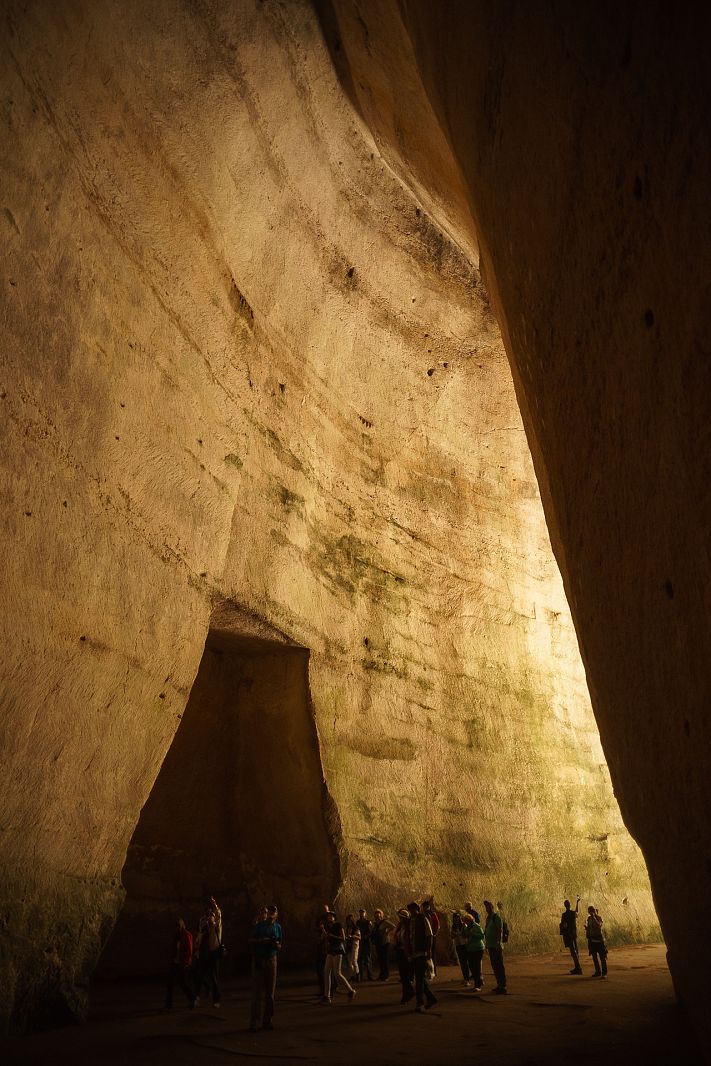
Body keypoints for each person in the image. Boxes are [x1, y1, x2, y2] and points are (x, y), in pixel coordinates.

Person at [248, 904, 282, 1031]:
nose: (272, 913)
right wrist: (262, 941)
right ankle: (254, 1022)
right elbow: (250, 940)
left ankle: (267, 1020)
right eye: (270, 911)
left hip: (272, 960)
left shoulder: (278, 927)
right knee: (257, 993)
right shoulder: (259, 926)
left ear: (276, 914)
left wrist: (276, 944)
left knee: (270, 994)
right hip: (259, 959)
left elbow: (280, 945)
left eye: (274, 911)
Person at [407, 902, 437, 1012]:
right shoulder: (411, 920)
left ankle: (420, 1003)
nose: (411, 911)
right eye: (409, 909)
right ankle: (431, 998)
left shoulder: (423, 919)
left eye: (412, 909)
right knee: (420, 978)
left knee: (419, 979)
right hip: (415, 953)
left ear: (417, 909)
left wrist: (428, 950)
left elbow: (429, 935)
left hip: (422, 953)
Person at [193, 897, 223, 1008]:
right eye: (208, 915)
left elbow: (219, 913)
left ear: (214, 918)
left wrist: (214, 904)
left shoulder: (217, 926)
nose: (209, 917)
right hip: (204, 954)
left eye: (211, 915)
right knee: (199, 976)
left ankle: (216, 1000)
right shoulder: (204, 927)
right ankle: (195, 998)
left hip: (214, 954)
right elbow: (199, 938)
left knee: (214, 978)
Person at [322, 912, 356, 1003]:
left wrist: (332, 936)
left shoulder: (338, 925)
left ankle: (351, 990)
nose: (329, 917)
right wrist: (324, 933)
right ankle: (327, 996)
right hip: (330, 951)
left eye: (331, 916)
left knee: (337, 973)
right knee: (326, 972)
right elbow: (326, 938)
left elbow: (343, 938)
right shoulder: (327, 926)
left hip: (337, 950)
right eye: (328, 916)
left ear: (334, 917)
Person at [165, 917, 193, 1008]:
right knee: (170, 983)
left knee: (182, 983)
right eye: (175, 927)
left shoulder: (186, 935)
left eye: (178, 926)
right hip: (175, 962)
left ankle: (193, 999)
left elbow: (189, 950)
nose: (176, 928)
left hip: (183, 963)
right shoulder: (176, 935)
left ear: (181, 926)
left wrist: (186, 963)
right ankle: (168, 1005)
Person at [483, 900, 507, 994]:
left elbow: (499, 930)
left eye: (488, 907)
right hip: (491, 946)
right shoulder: (488, 918)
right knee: (494, 966)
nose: (487, 909)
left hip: (496, 946)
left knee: (499, 966)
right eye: (486, 907)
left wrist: (498, 942)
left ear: (492, 907)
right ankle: (499, 984)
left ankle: (502, 986)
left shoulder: (496, 917)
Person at [394, 908, 415, 1003]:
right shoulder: (400, 926)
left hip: (406, 952)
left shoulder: (409, 927)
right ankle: (408, 993)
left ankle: (408, 994)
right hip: (400, 951)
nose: (400, 919)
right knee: (403, 975)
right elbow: (397, 937)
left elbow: (410, 940)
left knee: (405, 975)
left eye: (401, 917)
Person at [560, 897, 583, 974]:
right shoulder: (572, 913)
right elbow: (576, 911)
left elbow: (562, 925)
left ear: (565, 906)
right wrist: (577, 902)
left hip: (568, 935)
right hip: (573, 934)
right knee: (576, 950)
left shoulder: (564, 915)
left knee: (573, 952)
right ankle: (577, 967)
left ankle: (578, 968)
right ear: (569, 905)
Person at [463, 910, 485, 991]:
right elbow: (465, 935)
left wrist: (473, 934)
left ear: (470, 920)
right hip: (471, 949)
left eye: (466, 921)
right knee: (472, 966)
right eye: (465, 922)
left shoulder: (476, 926)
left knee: (476, 967)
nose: (466, 923)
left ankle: (478, 985)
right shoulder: (467, 927)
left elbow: (482, 936)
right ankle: (479, 981)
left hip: (478, 949)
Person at [585, 905, 608, 978]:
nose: (590, 913)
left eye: (591, 911)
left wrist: (594, 918)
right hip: (592, 941)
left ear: (594, 911)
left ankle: (604, 973)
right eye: (589, 912)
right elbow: (589, 928)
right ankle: (598, 972)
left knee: (602, 957)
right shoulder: (588, 919)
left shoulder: (599, 918)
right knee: (594, 957)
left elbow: (599, 926)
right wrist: (587, 929)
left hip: (599, 940)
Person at [372, 908, 395, 980]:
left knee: (384, 959)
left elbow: (393, 926)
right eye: (376, 916)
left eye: (378, 915)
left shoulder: (385, 922)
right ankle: (381, 974)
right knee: (380, 960)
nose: (377, 917)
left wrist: (387, 932)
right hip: (378, 943)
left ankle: (386, 975)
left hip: (385, 942)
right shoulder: (375, 923)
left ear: (381, 915)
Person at [451, 911, 471, 985]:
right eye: (454, 918)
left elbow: (466, 935)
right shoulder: (453, 926)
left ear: (459, 918)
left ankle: (467, 979)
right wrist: (454, 935)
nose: (456, 919)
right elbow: (452, 936)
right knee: (462, 962)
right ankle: (465, 978)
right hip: (458, 945)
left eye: (457, 918)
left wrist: (458, 934)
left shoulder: (463, 925)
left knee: (465, 962)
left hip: (464, 945)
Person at [421, 900, 440, 975]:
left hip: (431, 936)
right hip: (425, 936)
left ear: (428, 907)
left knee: (432, 953)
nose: (425, 908)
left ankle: (433, 970)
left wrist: (434, 934)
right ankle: (428, 970)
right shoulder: (423, 914)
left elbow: (437, 925)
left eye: (426, 906)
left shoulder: (432, 914)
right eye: (424, 906)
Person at [356, 909, 374, 981]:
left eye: (363, 913)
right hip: (360, 943)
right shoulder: (358, 922)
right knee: (360, 960)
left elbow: (371, 931)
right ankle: (361, 976)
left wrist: (367, 936)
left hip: (366, 943)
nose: (361, 914)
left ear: (365, 913)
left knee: (367, 959)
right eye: (360, 913)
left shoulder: (368, 922)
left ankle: (370, 976)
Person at [345, 913, 361, 980]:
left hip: (354, 945)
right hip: (349, 945)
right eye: (348, 920)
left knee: (354, 960)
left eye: (350, 920)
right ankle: (352, 975)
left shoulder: (356, 928)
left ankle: (357, 975)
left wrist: (352, 936)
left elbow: (359, 937)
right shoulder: (347, 928)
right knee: (349, 962)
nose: (349, 921)